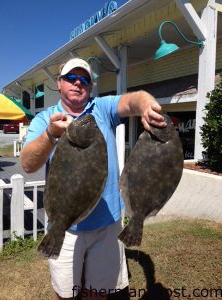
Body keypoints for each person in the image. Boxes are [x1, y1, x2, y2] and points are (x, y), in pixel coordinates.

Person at [20, 57, 166, 300]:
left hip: (107, 223)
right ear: (59, 83)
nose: (78, 83)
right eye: (71, 78)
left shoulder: (102, 107)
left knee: (97, 293)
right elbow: (27, 164)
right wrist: (50, 135)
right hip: (64, 226)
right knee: (66, 294)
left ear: (91, 86)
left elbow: (133, 100)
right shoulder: (46, 120)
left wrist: (147, 105)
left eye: (85, 79)